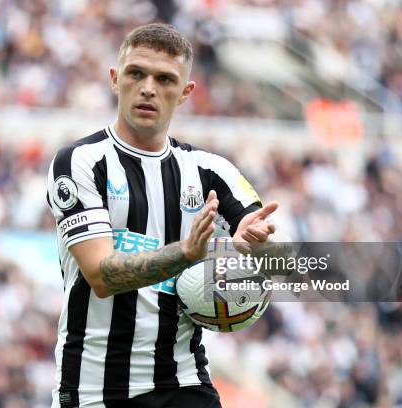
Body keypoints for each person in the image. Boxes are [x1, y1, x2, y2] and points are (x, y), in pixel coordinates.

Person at [46, 23, 278, 408]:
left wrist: (259, 248)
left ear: (185, 92)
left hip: (183, 383)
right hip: (93, 390)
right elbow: (101, 276)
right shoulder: (81, 162)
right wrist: (186, 254)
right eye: (136, 73)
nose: (149, 87)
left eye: (165, 78)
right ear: (115, 79)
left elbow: (273, 248)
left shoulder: (209, 170)